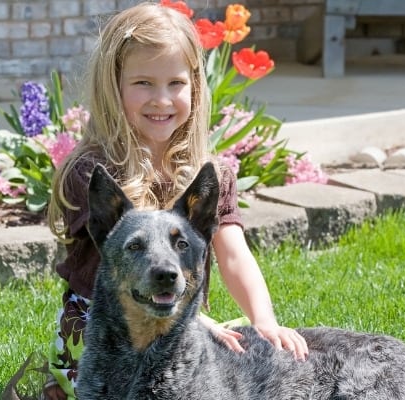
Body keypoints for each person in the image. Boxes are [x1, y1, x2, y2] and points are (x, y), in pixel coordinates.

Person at [43, 2, 308, 399]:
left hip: (175, 321)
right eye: (143, 83)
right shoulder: (93, 171)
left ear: (196, 88)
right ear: (112, 86)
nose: (161, 100)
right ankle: (58, 385)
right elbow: (117, 272)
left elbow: (234, 255)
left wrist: (264, 320)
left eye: (175, 84)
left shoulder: (207, 173)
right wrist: (197, 321)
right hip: (105, 331)